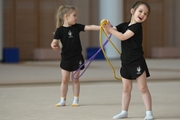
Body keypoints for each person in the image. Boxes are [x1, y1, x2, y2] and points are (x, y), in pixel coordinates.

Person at [102, 1, 153, 120]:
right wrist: (107, 26)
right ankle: (124, 111)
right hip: (125, 62)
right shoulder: (124, 25)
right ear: (132, 11)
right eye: (140, 11)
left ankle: (149, 112)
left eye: (145, 14)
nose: (142, 14)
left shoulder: (137, 27)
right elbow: (110, 32)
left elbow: (122, 36)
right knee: (126, 88)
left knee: (143, 88)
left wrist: (110, 29)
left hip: (137, 62)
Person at [51, 5, 100, 107]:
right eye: (74, 15)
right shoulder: (60, 30)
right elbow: (54, 41)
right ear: (66, 16)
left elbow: (89, 27)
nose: (76, 17)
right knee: (64, 79)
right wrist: (53, 45)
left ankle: (76, 99)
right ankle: (62, 100)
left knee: (75, 79)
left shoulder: (77, 27)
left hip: (77, 57)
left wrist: (102, 27)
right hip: (66, 58)